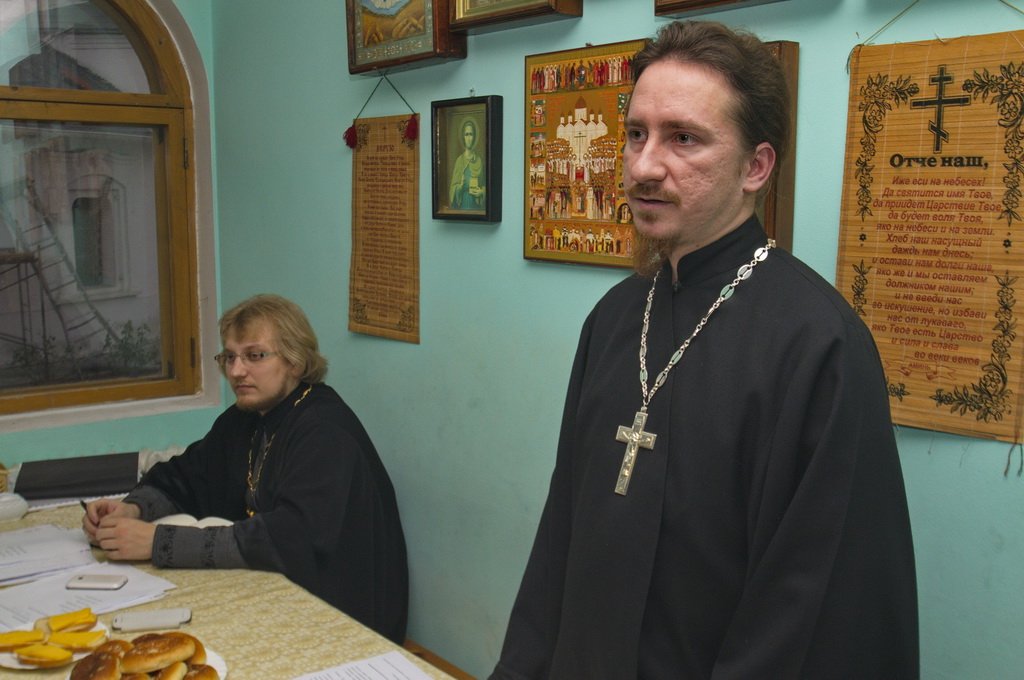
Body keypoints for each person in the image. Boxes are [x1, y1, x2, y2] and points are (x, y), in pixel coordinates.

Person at [490, 20, 918, 679]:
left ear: (755, 167)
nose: (643, 166)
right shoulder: (614, 318)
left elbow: (813, 605)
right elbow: (562, 538)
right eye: (636, 134)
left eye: (683, 138)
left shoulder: (819, 344)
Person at [82, 294, 409, 644]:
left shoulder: (325, 431)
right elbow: (185, 477)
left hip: (344, 617)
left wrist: (157, 542)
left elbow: (287, 539)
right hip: (276, 592)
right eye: (229, 357)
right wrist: (133, 509)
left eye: (255, 356)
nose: (236, 371)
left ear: (295, 361)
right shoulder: (246, 417)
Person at [449, 118, 485, 210]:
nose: (469, 138)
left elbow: (485, 185)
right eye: (466, 134)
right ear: (463, 137)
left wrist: (482, 192)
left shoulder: (479, 160)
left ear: (474, 137)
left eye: (471, 134)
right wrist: (459, 187)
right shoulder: (459, 161)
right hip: (462, 205)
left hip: (476, 206)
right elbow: (452, 190)